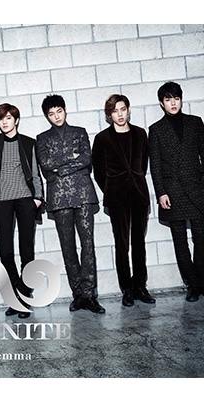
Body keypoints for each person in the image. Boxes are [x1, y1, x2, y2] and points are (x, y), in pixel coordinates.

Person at [36, 94, 105, 314]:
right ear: (47, 116)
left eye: (59, 111)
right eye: (51, 113)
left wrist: (61, 168)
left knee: (88, 245)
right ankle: (78, 295)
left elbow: (86, 159)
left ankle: (89, 294)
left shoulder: (80, 132)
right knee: (68, 247)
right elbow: (45, 165)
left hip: (83, 194)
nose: (56, 116)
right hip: (59, 198)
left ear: (65, 110)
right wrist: (71, 158)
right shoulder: (42, 138)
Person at [92, 94, 155, 307]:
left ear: (128, 110)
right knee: (121, 244)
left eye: (122, 109)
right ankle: (126, 289)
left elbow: (142, 165)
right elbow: (99, 172)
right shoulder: (102, 139)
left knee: (139, 242)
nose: (119, 114)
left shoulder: (140, 134)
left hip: (139, 195)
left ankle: (140, 286)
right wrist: (113, 188)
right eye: (114, 111)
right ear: (109, 115)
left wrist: (134, 181)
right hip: (117, 198)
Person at [0, 103, 44, 319]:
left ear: (16, 120)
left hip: (25, 199)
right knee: (6, 252)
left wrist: (37, 198)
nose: (5, 122)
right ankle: (17, 295)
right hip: (1, 201)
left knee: (27, 249)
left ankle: (24, 296)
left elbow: (35, 172)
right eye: (1, 119)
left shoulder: (28, 142)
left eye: (9, 118)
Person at [149, 81, 204, 302]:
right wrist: (161, 192)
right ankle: (193, 285)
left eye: (176, 98)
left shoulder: (195, 123)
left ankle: (201, 280)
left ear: (181, 100)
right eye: (168, 99)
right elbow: (155, 166)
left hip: (196, 189)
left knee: (201, 238)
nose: (173, 103)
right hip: (172, 192)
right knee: (180, 242)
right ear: (161, 103)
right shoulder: (156, 130)